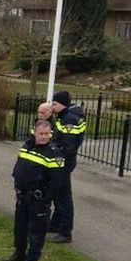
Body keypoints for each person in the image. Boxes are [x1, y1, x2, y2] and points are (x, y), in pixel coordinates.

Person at [3, 120, 65, 261]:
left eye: (47, 134)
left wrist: (45, 200)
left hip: (38, 200)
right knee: (20, 228)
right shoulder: (27, 146)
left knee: (36, 233)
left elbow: (57, 182)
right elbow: (19, 166)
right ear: (34, 132)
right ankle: (19, 254)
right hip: (23, 196)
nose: (44, 137)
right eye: (41, 133)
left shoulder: (54, 153)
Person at [47, 91, 85, 244]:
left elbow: (68, 146)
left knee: (63, 197)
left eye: (54, 104)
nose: (52, 107)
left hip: (63, 162)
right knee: (57, 194)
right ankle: (55, 224)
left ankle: (65, 232)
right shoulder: (65, 116)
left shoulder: (70, 119)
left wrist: (54, 157)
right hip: (61, 161)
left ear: (62, 104)